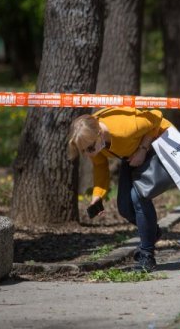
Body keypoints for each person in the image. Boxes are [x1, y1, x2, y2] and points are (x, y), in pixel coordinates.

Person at [67, 107, 172, 272]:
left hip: (156, 140)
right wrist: (98, 196)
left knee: (138, 198)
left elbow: (157, 117)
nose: (89, 154)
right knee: (124, 207)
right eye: (84, 151)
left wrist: (142, 150)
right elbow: (100, 167)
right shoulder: (95, 141)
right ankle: (152, 233)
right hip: (131, 153)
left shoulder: (125, 129)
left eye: (90, 148)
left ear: (100, 134)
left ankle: (147, 256)